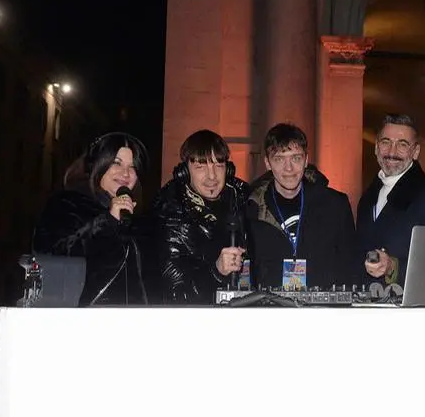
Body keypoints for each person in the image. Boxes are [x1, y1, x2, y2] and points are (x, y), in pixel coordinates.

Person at [32, 132, 150, 306]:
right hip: (84, 323)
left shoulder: (137, 221)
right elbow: (49, 255)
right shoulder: (67, 205)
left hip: (131, 325)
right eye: (116, 163)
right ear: (97, 165)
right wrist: (107, 223)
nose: (126, 173)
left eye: (132, 167)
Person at [246, 123, 357, 289]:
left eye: (296, 158)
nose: (289, 168)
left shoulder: (335, 206)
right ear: (267, 163)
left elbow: (350, 267)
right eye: (279, 159)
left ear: (306, 160)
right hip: (271, 309)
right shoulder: (252, 210)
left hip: (324, 310)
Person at [356, 114, 425, 286]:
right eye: (386, 142)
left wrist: (392, 268)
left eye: (402, 144)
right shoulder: (367, 198)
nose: (392, 152)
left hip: (409, 309)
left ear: (415, 152)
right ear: (376, 147)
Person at [152, 129, 249, 304]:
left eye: (219, 166)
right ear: (185, 172)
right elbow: (176, 295)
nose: (212, 176)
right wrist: (216, 272)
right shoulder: (170, 216)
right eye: (200, 167)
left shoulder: (242, 199)